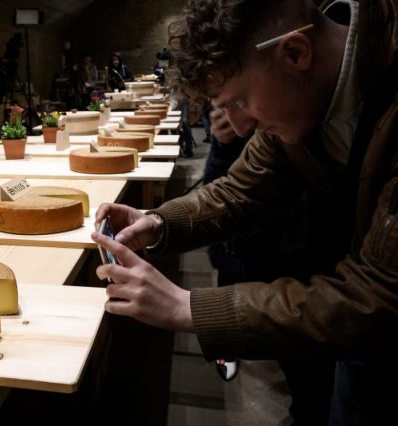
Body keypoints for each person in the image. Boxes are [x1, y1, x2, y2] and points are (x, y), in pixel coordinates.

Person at [92, 1, 398, 424]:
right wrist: (161, 223)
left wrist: (190, 307)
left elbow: (381, 296)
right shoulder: (296, 95)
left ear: (294, 52)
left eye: (239, 102)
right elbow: (243, 188)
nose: (237, 128)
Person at [204, 108, 335, 423]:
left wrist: (192, 310)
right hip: (240, 252)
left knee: (308, 376)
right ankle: (227, 351)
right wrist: (221, 145)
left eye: (239, 100)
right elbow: (221, 188)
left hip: (293, 263)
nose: (235, 118)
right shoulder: (250, 126)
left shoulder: (292, 124)